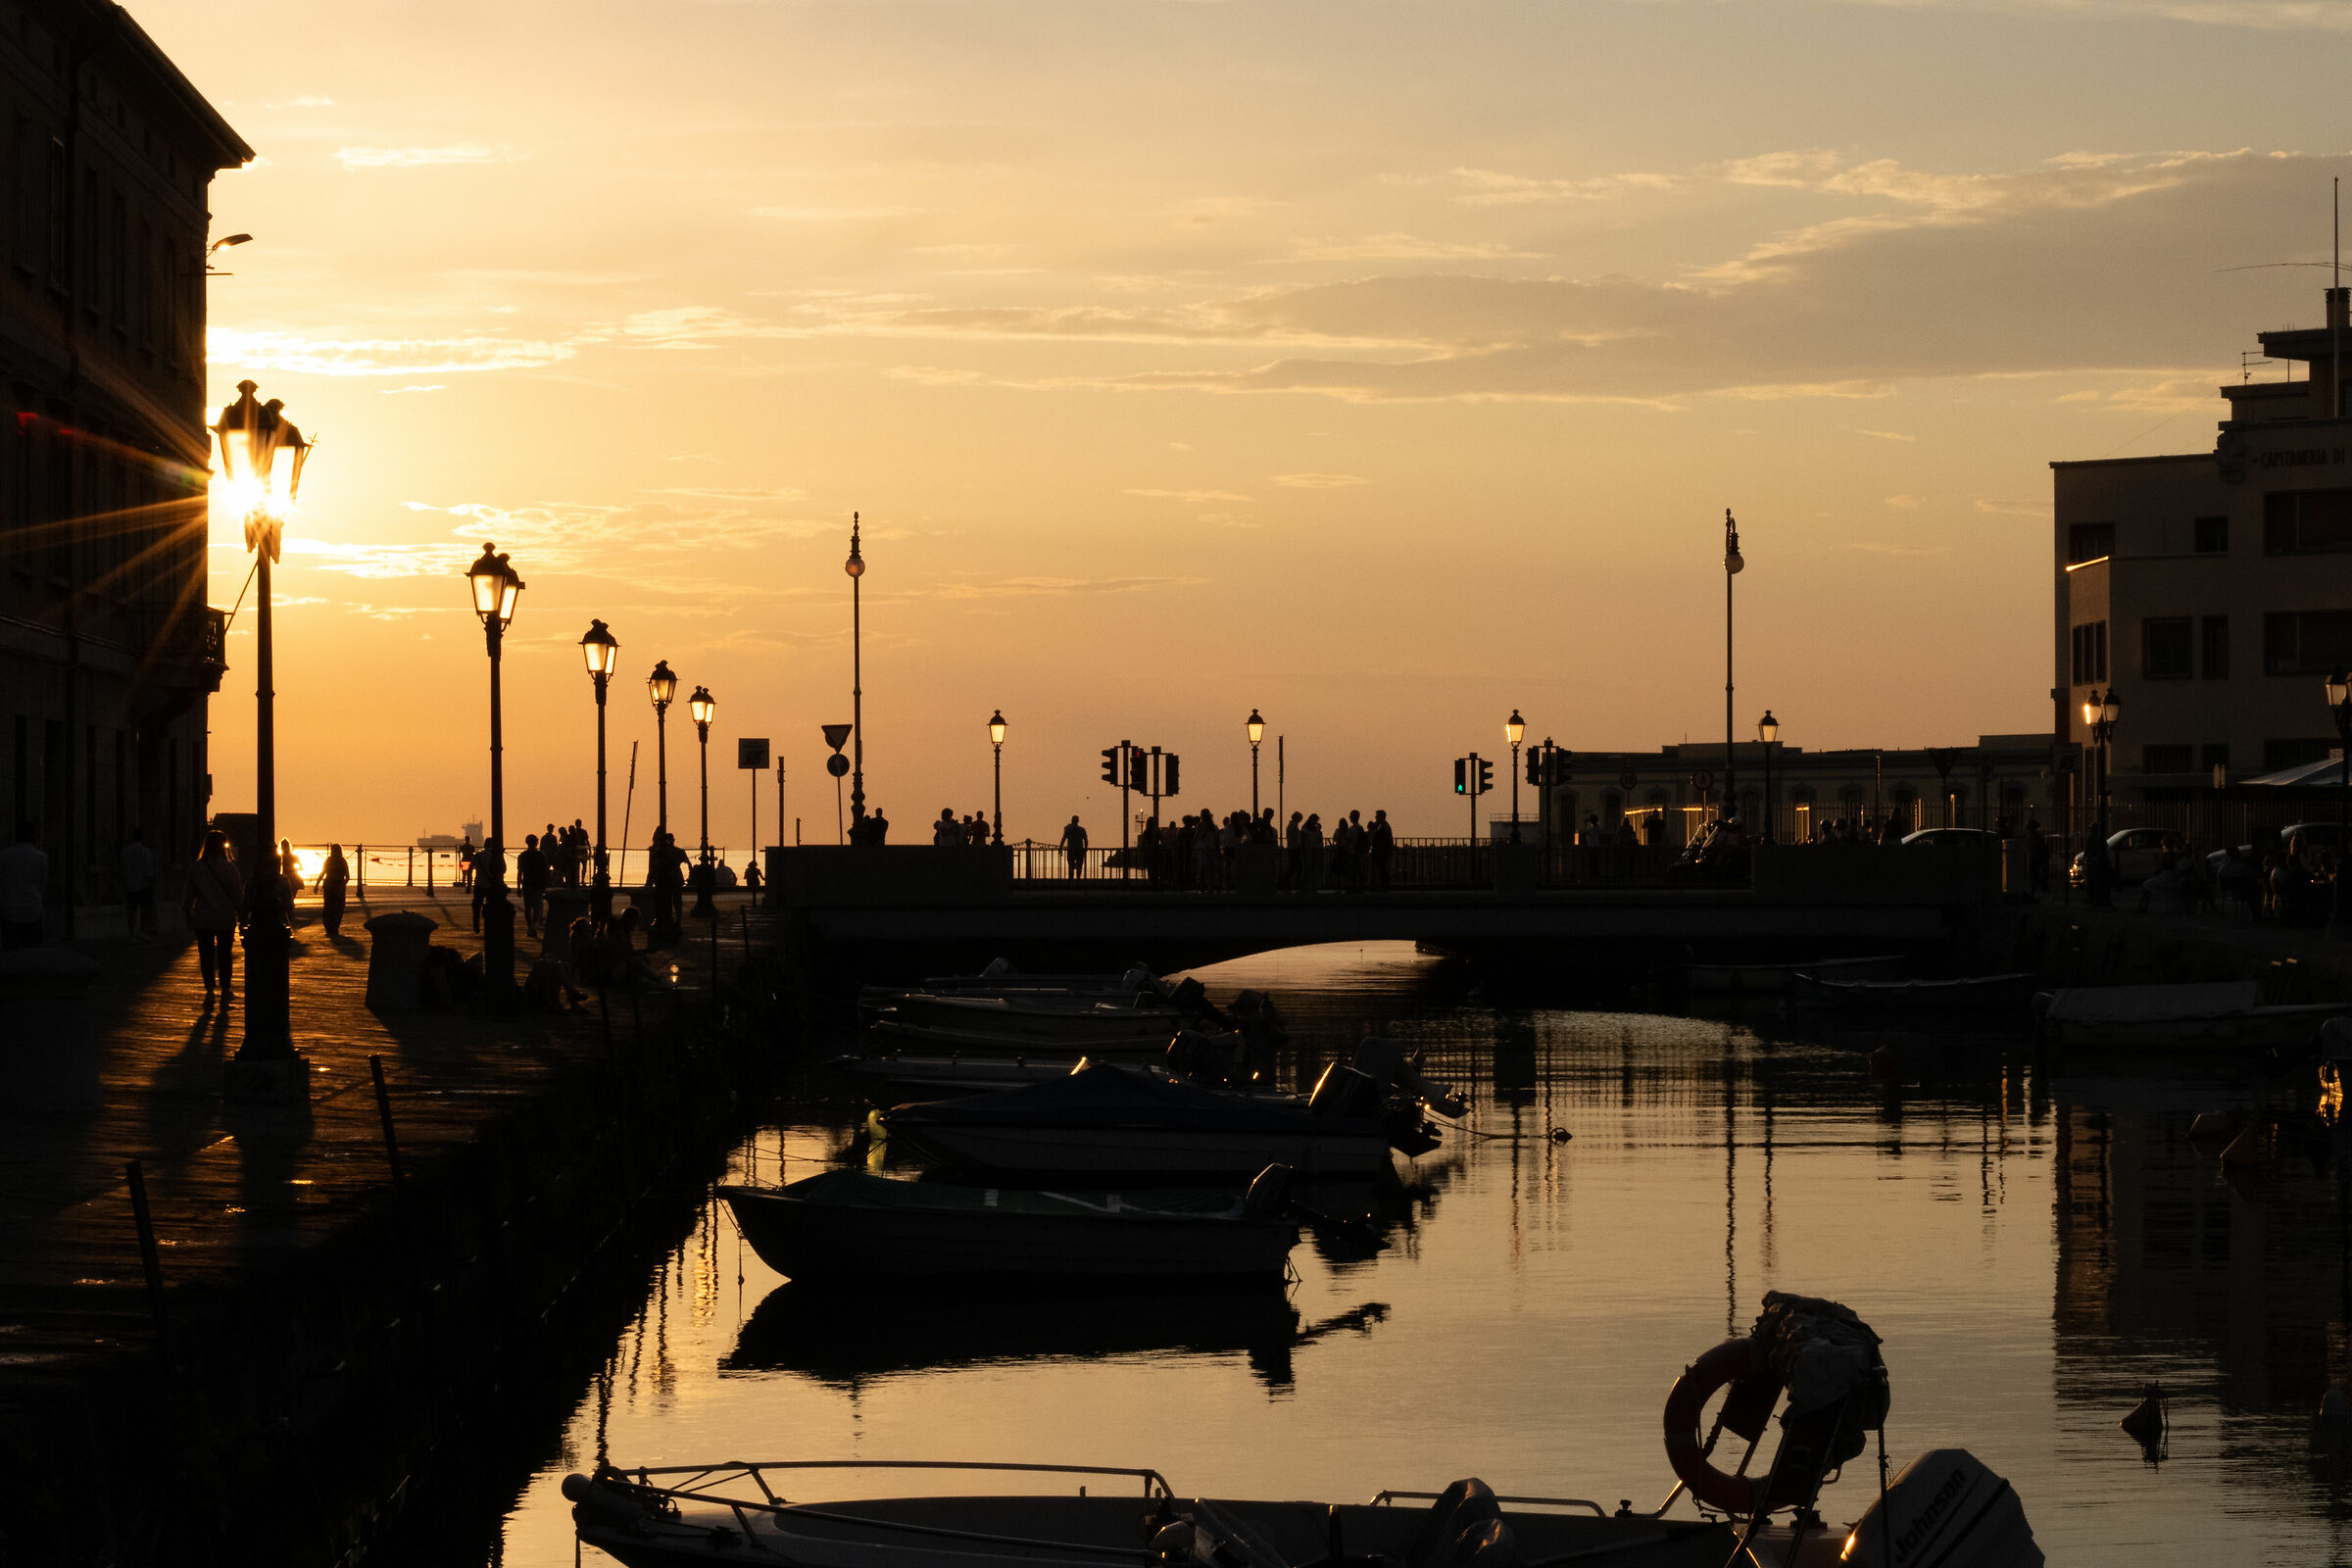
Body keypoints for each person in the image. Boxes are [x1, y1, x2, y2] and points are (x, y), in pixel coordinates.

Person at [183, 828, 243, 998]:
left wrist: (188, 913)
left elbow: (190, 893)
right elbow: (237, 894)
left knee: (206, 955)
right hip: (225, 917)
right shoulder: (230, 868)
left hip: (203, 918)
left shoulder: (197, 868)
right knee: (225, 955)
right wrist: (243, 915)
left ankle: (209, 990)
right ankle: (225, 989)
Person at [1, 821, 45, 950]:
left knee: (10, 953)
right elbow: (42, 885)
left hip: (9, 909)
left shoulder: (4, 856)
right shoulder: (42, 857)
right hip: (33, 909)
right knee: (32, 952)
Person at [121, 826, 155, 942]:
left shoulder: (125, 851)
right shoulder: (145, 851)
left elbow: (123, 868)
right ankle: (142, 931)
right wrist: (151, 884)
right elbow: (148, 870)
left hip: (130, 885)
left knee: (131, 911)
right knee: (145, 910)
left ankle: (131, 933)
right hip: (144, 885)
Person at [516, 832, 550, 938]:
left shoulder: (522, 856)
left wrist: (518, 887)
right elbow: (545, 871)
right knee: (537, 907)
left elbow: (520, 872)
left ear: (527, 843)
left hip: (527, 883)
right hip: (538, 883)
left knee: (527, 907)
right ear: (537, 843)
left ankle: (529, 926)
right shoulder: (541, 855)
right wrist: (546, 884)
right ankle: (534, 927)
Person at [320, 843, 351, 938]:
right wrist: (342, 885)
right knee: (338, 907)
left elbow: (323, 873)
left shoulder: (328, 860)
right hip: (338, 887)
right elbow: (348, 877)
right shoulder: (343, 861)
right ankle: (335, 927)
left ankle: (328, 927)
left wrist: (317, 884)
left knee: (328, 907)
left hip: (328, 886)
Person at [1369, 808, 1395, 891]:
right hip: (1383, 852)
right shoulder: (1384, 826)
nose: (1375, 818)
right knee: (1382, 869)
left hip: (1382, 852)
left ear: (1381, 817)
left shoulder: (1384, 827)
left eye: (1377, 817)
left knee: (1381, 869)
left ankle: (1382, 886)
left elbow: (1377, 837)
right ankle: (1383, 886)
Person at [1060, 814, 1088, 878]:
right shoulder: (1082, 829)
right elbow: (1085, 840)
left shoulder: (1068, 829)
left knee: (1071, 867)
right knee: (1079, 867)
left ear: (1072, 821)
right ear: (1078, 821)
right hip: (1080, 850)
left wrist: (1060, 847)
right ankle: (1078, 879)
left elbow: (1064, 838)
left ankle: (1071, 880)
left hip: (1071, 850)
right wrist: (1085, 849)